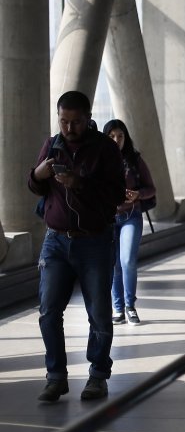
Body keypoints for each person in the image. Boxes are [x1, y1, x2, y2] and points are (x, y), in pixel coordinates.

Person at [27, 90, 126, 402]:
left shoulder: (105, 149)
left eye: (76, 122)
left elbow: (117, 195)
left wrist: (79, 183)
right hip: (55, 241)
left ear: (88, 118)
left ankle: (98, 375)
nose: (69, 128)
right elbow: (34, 186)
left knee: (99, 313)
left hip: (94, 241)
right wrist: (38, 174)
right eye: (63, 121)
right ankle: (56, 377)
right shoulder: (52, 145)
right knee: (48, 311)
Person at [102, 119, 156, 326]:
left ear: (126, 137)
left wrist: (138, 194)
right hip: (108, 219)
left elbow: (151, 188)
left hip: (131, 217)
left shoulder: (135, 160)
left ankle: (130, 306)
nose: (116, 140)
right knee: (114, 264)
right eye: (112, 136)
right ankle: (118, 308)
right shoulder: (98, 159)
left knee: (127, 261)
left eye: (120, 136)